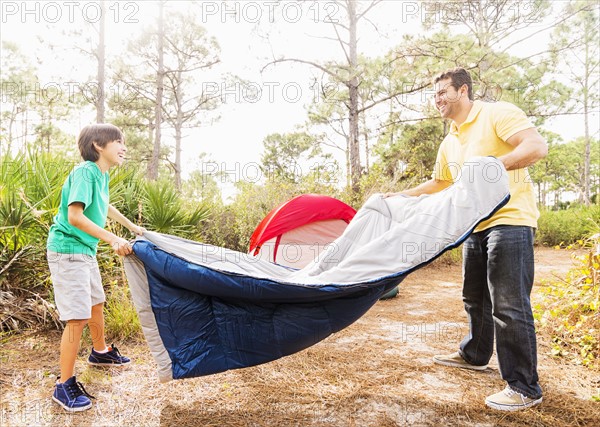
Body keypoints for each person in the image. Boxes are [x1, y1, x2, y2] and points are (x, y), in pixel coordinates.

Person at [385, 67, 548, 411]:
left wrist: (492, 166)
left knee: (508, 304)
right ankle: (474, 353)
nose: (437, 100)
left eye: (443, 92)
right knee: (474, 297)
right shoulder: (451, 140)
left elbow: (536, 146)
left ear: (463, 91)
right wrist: (399, 197)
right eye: (434, 95)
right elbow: (439, 183)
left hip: (511, 219)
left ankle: (523, 386)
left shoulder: (496, 114)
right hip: (474, 225)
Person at [46, 123, 144, 412]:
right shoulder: (84, 172)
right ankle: (64, 385)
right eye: (118, 141)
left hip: (84, 251)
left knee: (96, 303)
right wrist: (113, 238)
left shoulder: (100, 176)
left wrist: (131, 226)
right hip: (68, 251)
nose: (124, 147)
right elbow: (75, 216)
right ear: (99, 146)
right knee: (77, 317)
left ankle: (100, 352)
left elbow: (105, 205)